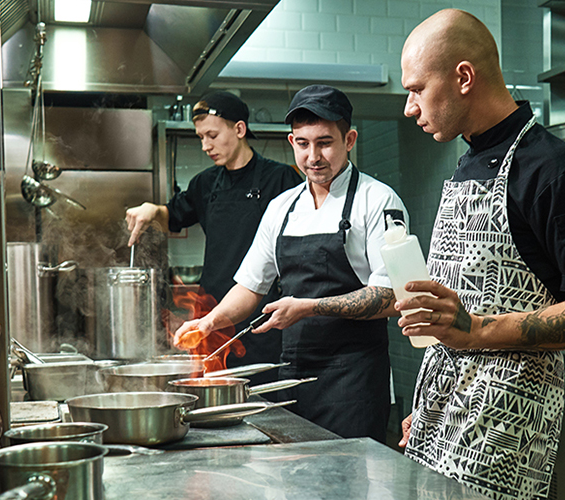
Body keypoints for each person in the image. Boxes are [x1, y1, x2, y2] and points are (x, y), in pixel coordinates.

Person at [395, 9, 565, 500]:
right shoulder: (465, 162)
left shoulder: (554, 169)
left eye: (417, 89)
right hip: (445, 414)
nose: (411, 107)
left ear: (463, 78)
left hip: (507, 426)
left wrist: (476, 331)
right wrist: (430, 403)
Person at [174, 85, 410, 441]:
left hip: (353, 378)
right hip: (290, 373)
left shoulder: (377, 200)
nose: (313, 156)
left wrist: (309, 307)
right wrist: (209, 323)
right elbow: (251, 287)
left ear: (349, 139)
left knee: (349, 486)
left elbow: (393, 296)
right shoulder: (282, 207)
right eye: (303, 143)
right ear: (291, 142)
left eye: (325, 142)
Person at [126, 91, 302, 381]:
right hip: (212, 310)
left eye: (212, 135)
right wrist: (152, 210)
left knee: (264, 394)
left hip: (263, 313)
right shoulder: (205, 183)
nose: (206, 145)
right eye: (201, 138)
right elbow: (174, 214)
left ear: (240, 129)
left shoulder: (280, 179)